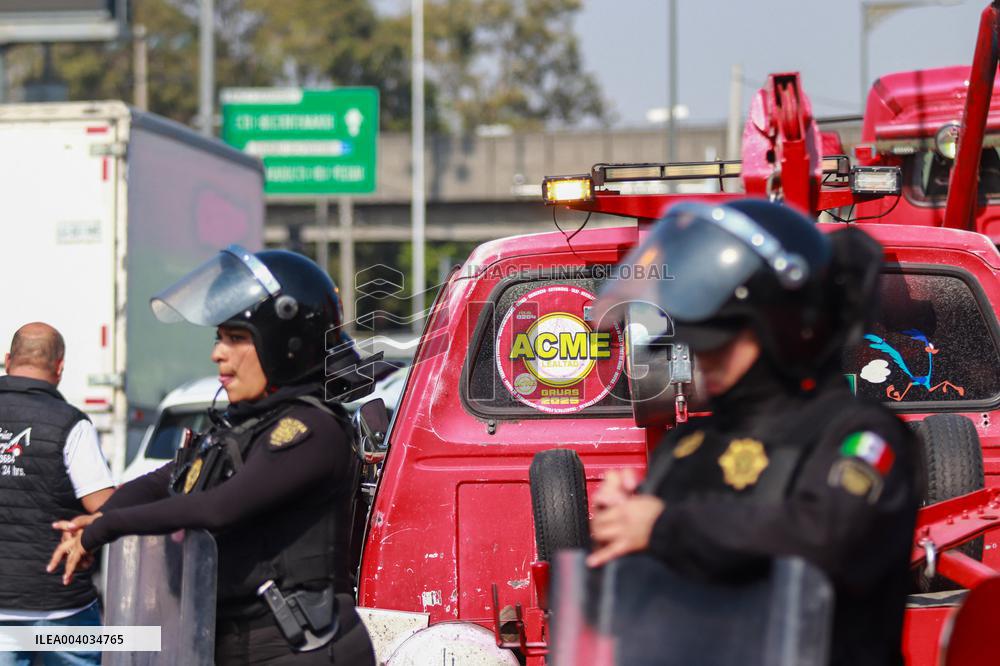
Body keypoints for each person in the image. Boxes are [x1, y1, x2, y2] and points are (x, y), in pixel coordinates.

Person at [589, 200, 921, 666]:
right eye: (695, 345)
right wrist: (619, 527)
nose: (703, 360)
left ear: (786, 328)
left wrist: (663, 525)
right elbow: (621, 615)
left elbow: (829, 536)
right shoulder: (692, 445)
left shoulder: (860, 434)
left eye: (720, 342)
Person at [47, 247, 376, 665]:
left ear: (284, 346)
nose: (217, 353)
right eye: (219, 338)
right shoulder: (246, 425)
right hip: (230, 643)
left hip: (299, 650)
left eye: (236, 338)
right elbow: (170, 478)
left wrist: (106, 528)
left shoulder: (312, 429)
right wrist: (99, 515)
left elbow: (218, 508)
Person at [0, 323, 115, 666]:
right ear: (60, 368)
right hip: (61, 605)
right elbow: (108, 508)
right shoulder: (71, 424)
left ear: (7, 360)